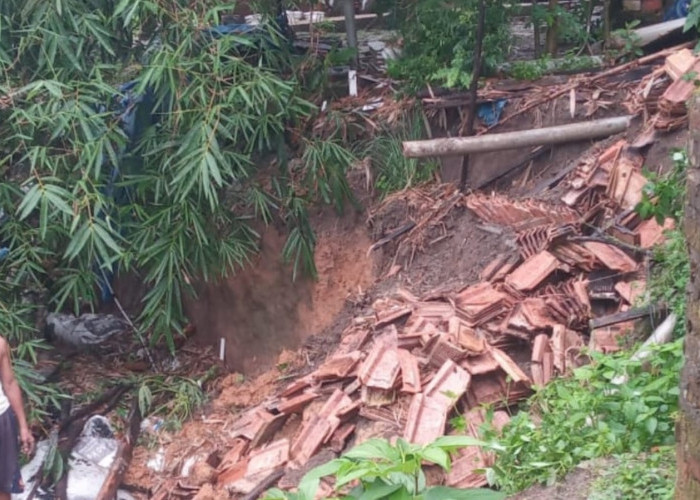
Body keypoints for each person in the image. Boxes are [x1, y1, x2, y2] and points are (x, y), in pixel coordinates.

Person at [0, 336, 35, 499]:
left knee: (3, 485)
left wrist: (23, 426)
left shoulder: (0, 344)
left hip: (2, 421)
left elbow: (10, 383)